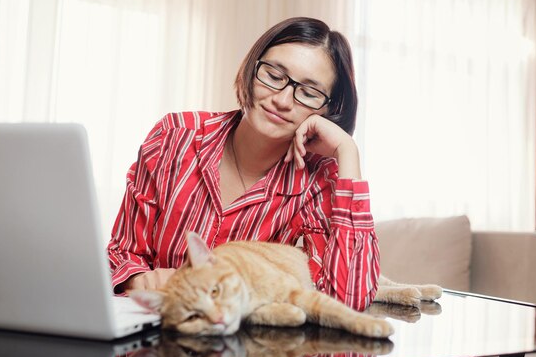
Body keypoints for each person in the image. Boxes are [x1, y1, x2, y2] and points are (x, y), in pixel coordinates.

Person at [107, 16, 380, 313]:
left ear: (328, 109)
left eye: (308, 93)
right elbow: (123, 253)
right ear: (253, 68)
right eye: (274, 76)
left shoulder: (318, 181)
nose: (283, 100)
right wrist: (136, 280)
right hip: (152, 339)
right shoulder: (173, 137)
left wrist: (347, 152)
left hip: (249, 351)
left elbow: (347, 300)